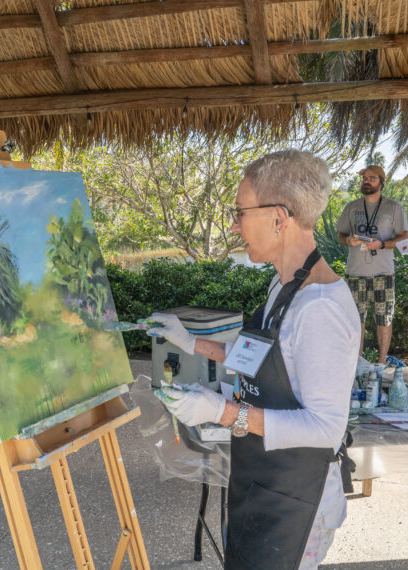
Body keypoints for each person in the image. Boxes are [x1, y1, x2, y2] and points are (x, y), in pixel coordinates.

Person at [148, 150, 360, 569]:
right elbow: (259, 360)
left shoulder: (320, 308)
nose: (234, 224)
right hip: (262, 479)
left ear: (279, 218)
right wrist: (190, 342)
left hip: (298, 497)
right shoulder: (282, 286)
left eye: (240, 212)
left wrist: (224, 412)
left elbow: (324, 427)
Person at [336, 166, 408, 364]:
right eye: (364, 178)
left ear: (381, 183)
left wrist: (382, 244)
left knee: (384, 319)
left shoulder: (394, 207)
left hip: (383, 273)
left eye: (371, 178)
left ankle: (382, 363)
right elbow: (341, 235)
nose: (366, 181)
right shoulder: (351, 207)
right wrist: (348, 240)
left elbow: (404, 237)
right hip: (355, 272)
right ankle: (358, 363)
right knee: (354, 320)